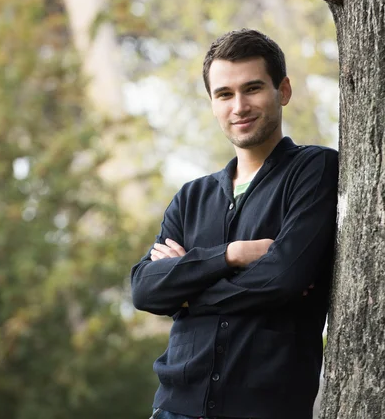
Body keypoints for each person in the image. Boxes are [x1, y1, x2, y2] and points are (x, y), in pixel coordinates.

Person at [131, 29, 338, 419]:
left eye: (253, 88)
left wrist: (188, 294)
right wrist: (231, 255)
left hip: (268, 407)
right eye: (224, 94)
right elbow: (144, 290)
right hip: (174, 410)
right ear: (212, 103)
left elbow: (284, 278)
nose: (239, 106)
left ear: (284, 91)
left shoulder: (315, 169)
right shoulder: (191, 197)